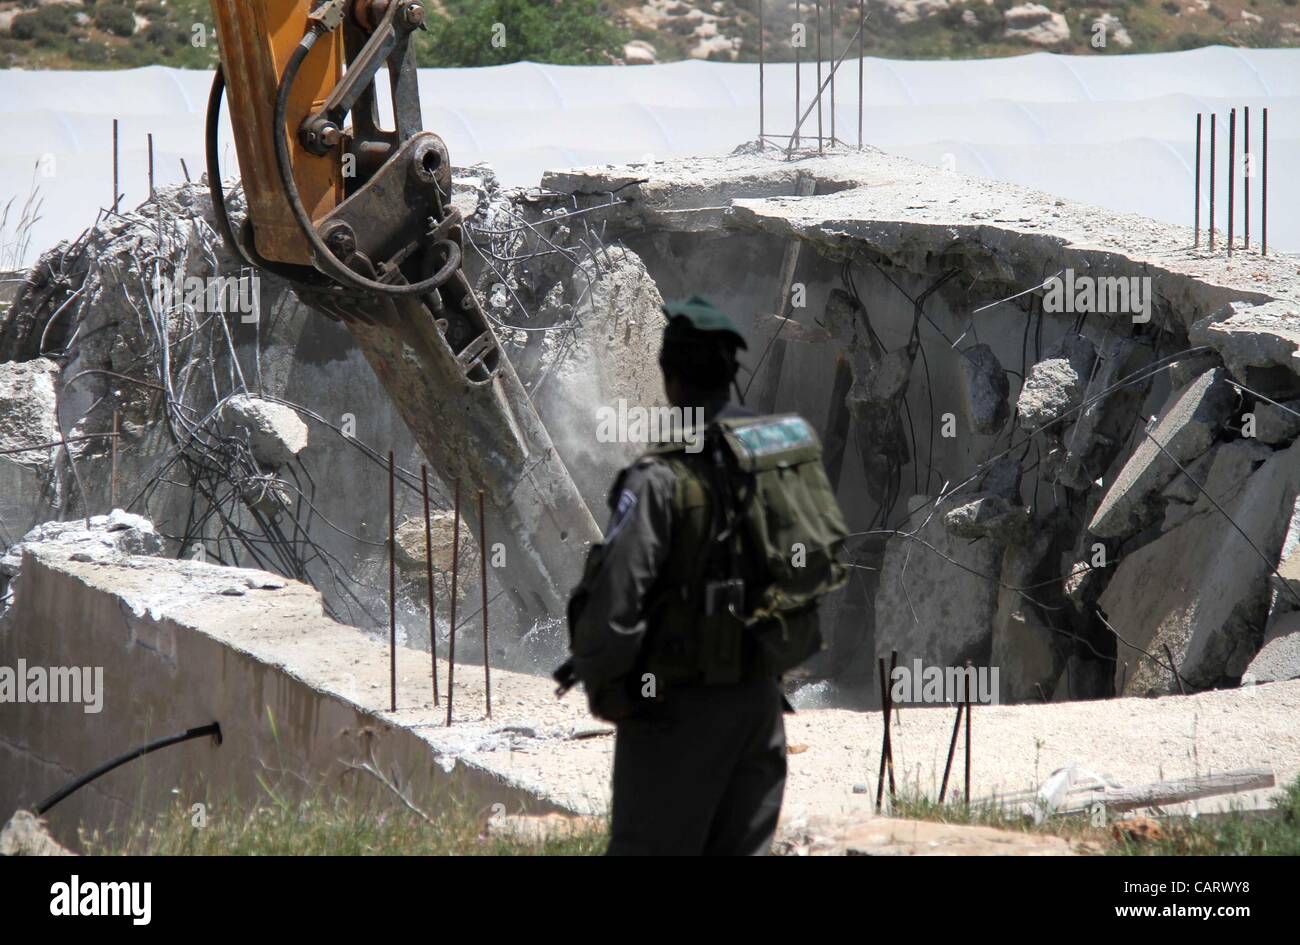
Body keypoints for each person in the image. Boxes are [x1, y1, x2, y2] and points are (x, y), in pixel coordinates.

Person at [564, 295, 847, 856]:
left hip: (676, 708)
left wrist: (610, 690)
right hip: (761, 707)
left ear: (670, 380)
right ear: (729, 373)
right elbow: (817, 563)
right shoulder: (781, 454)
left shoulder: (658, 478)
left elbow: (616, 602)